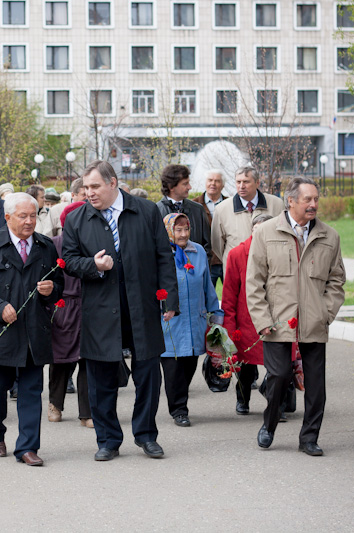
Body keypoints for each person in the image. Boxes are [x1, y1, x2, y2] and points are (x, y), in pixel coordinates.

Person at [62, 160, 178, 462]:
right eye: (86, 187)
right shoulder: (77, 220)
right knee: (101, 379)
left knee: (149, 375)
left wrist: (169, 300)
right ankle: (108, 440)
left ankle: (146, 435)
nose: (89, 193)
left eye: (95, 186)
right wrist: (94, 266)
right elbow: (69, 261)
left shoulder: (146, 210)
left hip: (141, 306)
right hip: (100, 310)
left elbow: (163, 256)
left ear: (113, 183)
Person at [246, 177, 346, 456]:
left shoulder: (330, 236)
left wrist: (326, 313)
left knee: (316, 383)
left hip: (314, 320)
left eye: (316, 199)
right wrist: (262, 320)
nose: (314, 204)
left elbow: (336, 281)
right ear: (290, 201)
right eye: (308, 200)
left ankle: (309, 437)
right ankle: (269, 424)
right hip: (277, 321)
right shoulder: (265, 232)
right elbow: (254, 282)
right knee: (278, 375)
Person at [0, 192, 64, 466]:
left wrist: (51, 290)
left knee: (32, 392)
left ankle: (27, 447)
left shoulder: (45, 246)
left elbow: (59, 287)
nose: (29, 221)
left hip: (34, 333)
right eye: (23, 216)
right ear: (7, 217)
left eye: (33, 215)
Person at [159, 212, 223, 427]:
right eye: (178, 230)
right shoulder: (159, 254)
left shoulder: (198, 253)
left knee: (188, 367)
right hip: (169, 324)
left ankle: (180, 401)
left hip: (194, 321)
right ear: (169, 231)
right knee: (173, 369)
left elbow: (207, 287)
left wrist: (216, 315)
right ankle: (179, 410)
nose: (184, 234)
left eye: (186, 229)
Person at [222, 214, 276, 415]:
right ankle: (242, 399)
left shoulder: (277, 252)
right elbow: (229, 295)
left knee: (278, 365)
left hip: (273, 318)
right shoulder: (237, 254)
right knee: (245, 367)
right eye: (257, 230)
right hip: (245, 321)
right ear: (251, 231)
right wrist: (230, 326)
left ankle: (275, 399)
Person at [49, 201, 92, 427]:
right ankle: (55, 404)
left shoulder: (93, 244)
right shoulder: (54, 244)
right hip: (63, 306)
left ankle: (87, 412)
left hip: (88, 306)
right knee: (61, 359)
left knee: (87, 358)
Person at [211, 165, 284, 278]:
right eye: (238, 182)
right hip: (235, 271)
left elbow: (282, 236)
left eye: (246, 182)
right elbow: (217, 245)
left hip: (268, 270)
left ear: (257, 183)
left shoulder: (277, 204)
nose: (241, 186)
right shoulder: (222, 209)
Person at [156, 165, 211, 261]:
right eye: (185, 184)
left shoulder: (198, 209)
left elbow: (207, 246)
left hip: (195, 272)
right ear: (171, 187)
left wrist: (200, 268)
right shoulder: (155, 211)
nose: (189, 187)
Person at [192, 170, 226, 288]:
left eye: (217, 181)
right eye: (210, 180)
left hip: (226, 260)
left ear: (223, 185)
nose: (213, 184)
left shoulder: (230, 204)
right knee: (205, 298)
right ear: (205, 183)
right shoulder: (194, 205)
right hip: (206, 261)